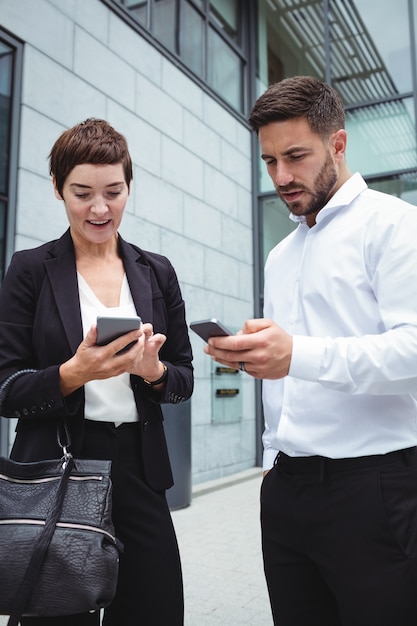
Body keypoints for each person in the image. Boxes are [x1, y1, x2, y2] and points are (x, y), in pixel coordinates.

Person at [204, 76, 417, 625]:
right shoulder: (280, 255)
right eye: (269, 161)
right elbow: (292, 366)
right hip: (286, 489)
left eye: (295, 156)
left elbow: (412, 351)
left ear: (339, 144)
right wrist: (255, 356)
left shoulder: (395, 227)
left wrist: (297, 354)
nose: (280, 176)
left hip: (374, 489)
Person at [0, 118, 193, 625]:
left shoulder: (157, 270)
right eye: (82, 193)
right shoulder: (30, 269)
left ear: (129, 187)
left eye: (114, 191)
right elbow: (5, 387)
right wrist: (71, 373)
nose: (100, 208)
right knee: (55, 614)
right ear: (58, 189)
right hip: (60, 463)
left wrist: (154, 373)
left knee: (156, 610)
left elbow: (184, 378)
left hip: (139, 467)